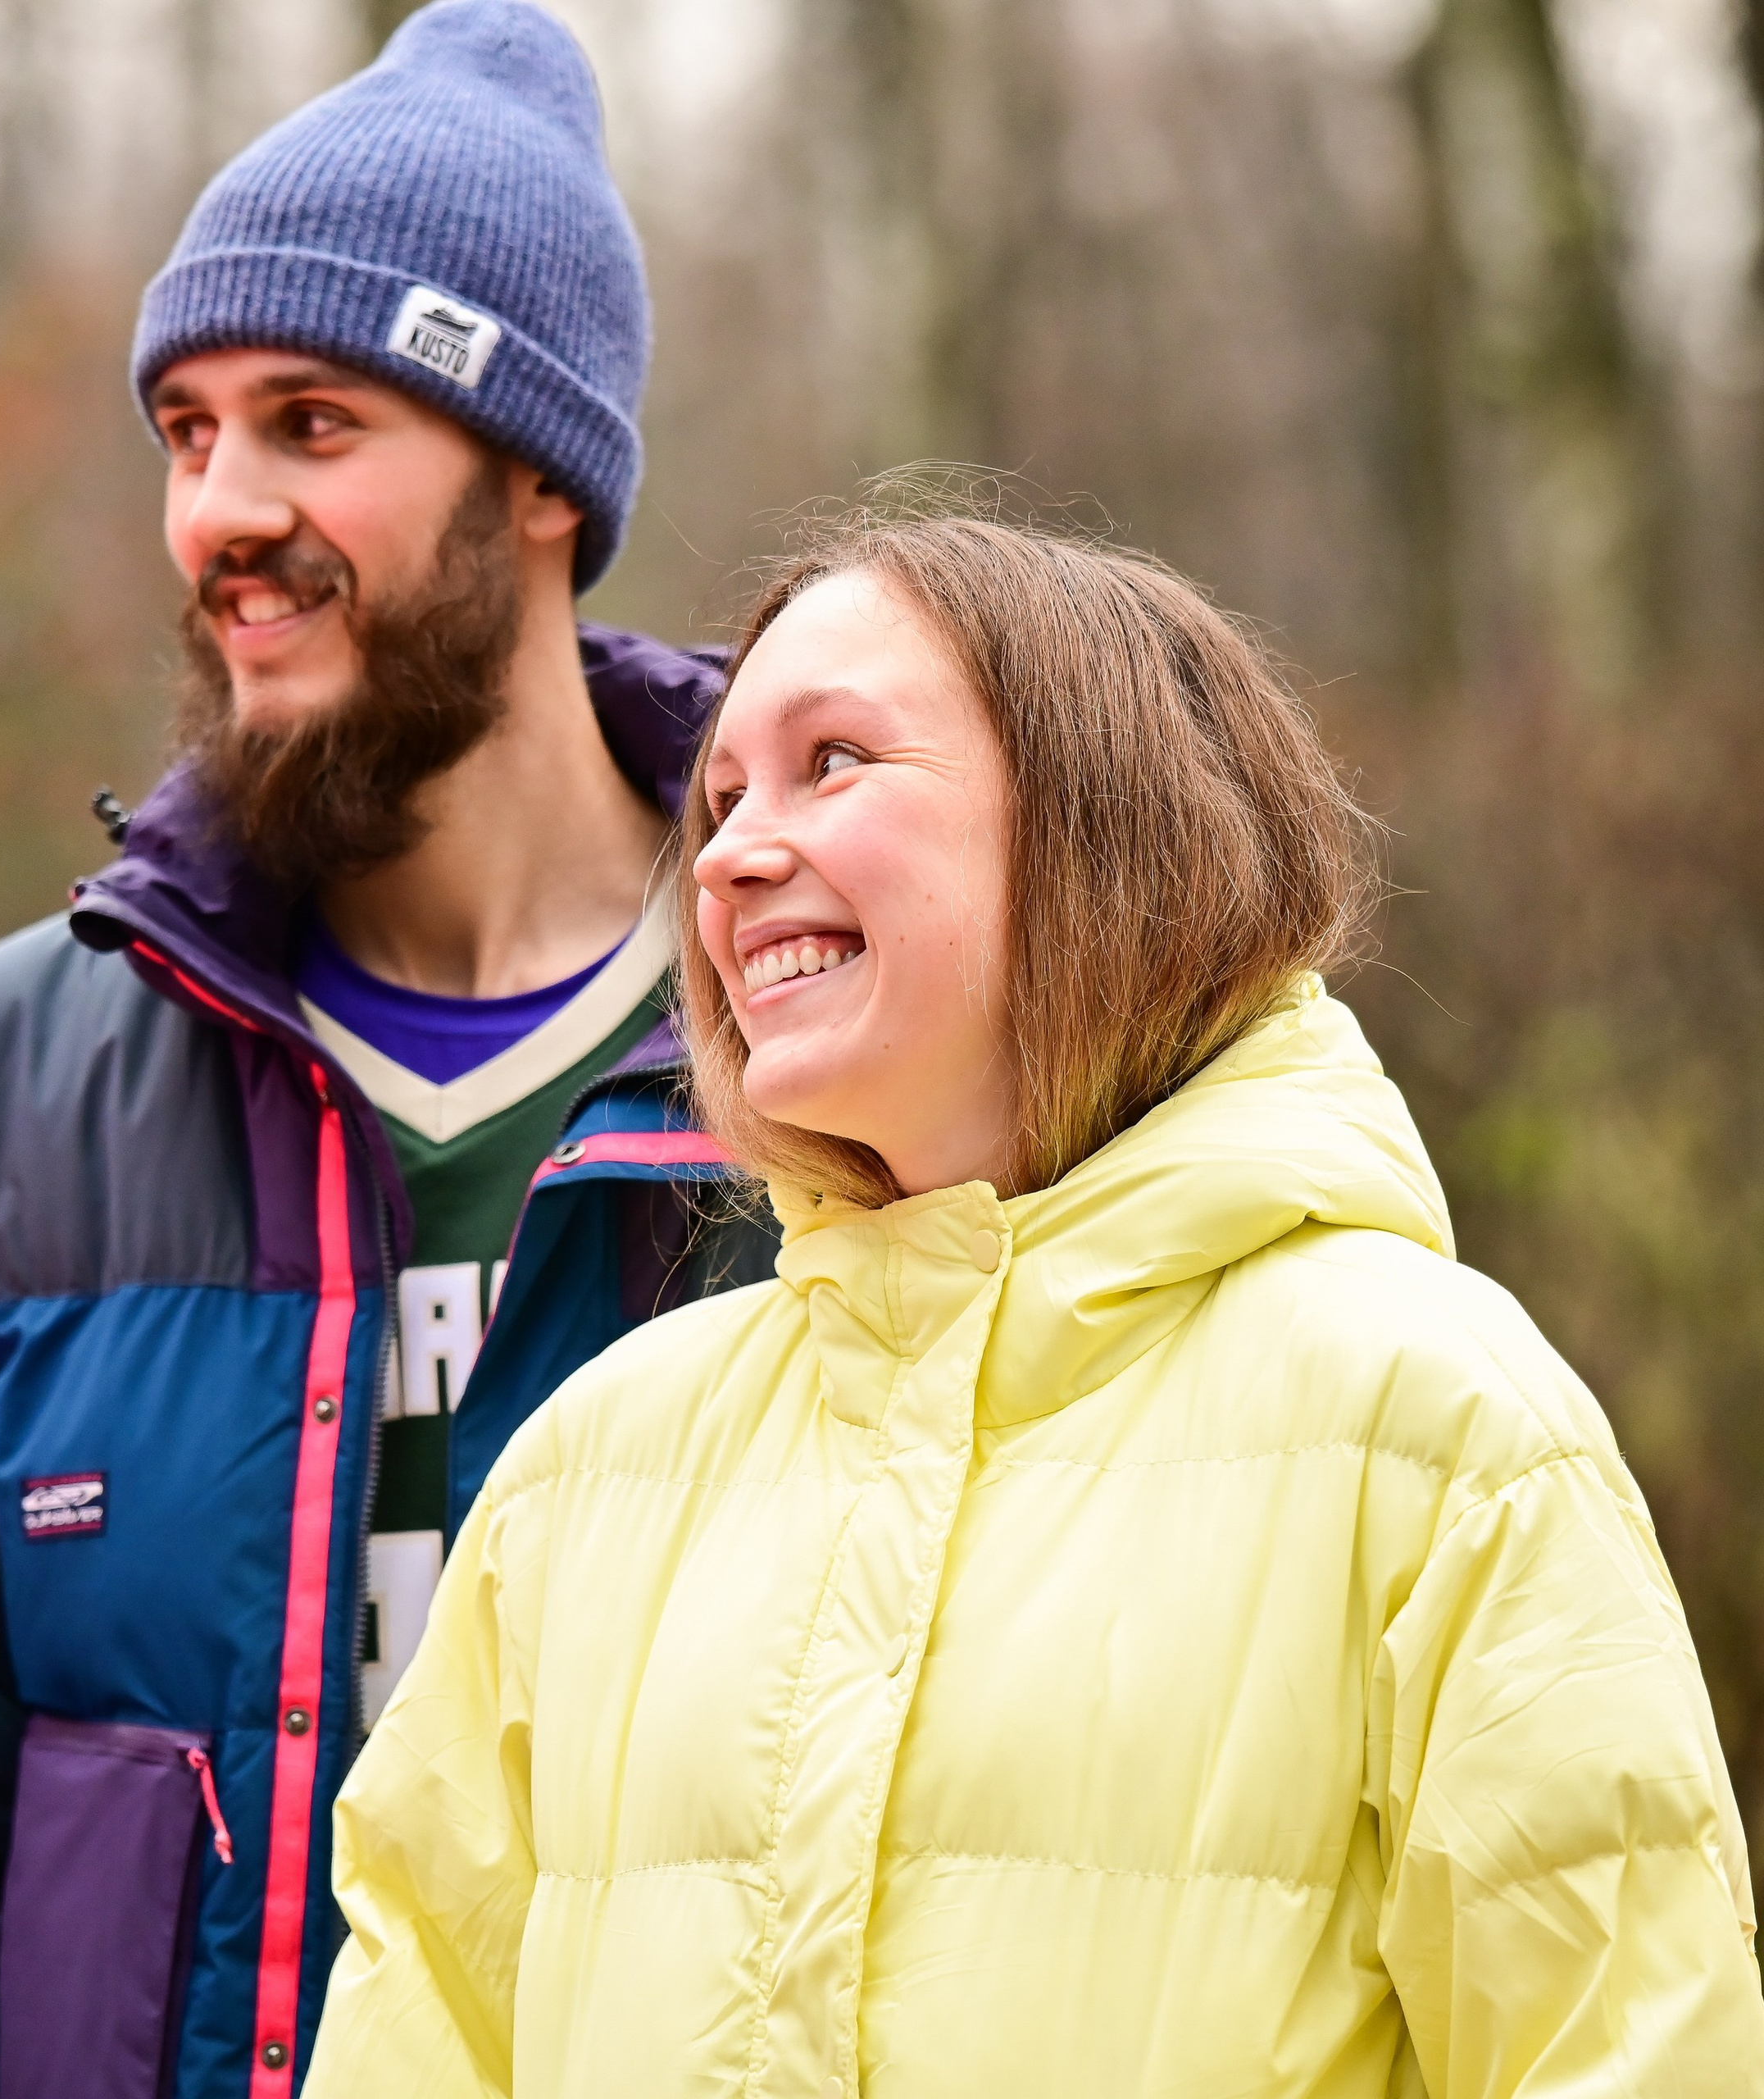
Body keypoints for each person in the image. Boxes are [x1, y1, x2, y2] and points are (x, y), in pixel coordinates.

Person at [302, 509, 1764, 2097]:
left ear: (1099, 820)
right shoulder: (589, 1470)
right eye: (721, 797)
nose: (723, 851)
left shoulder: (1441, 1432)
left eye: (834, 760)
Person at [0, 7, 774, 2095]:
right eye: (185, 433)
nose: (219, 509)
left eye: (310, 422)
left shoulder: (821, 1039)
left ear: (540, 476)